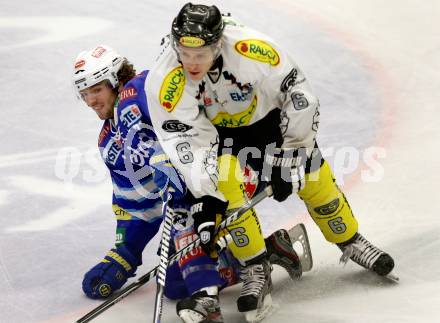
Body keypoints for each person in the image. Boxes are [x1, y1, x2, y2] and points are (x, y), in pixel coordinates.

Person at [144, 3, 395, 320]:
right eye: (185, 52)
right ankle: (254, 265)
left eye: (201, 54)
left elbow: (300, 96)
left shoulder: (252, 49)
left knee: (313, 178)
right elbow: (186, 141)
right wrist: (206, 196)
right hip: (220, 137)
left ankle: (350, 239)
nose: (191, 62)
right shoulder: (166, 78)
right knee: (227, 186)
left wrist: (291, 156)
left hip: (269, 121)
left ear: (218, 43)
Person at [72, 44, 301, 323]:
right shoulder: (109, 142)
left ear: (116, 79)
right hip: (187, 194)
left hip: (224, 175)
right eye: (84, 94)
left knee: (187, 217)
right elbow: (136, 202)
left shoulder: (144, 87)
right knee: (174, 282)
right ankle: (270, 249)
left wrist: (176, 163)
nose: (91, 101)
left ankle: (208, 299)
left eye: (96, 89)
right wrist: (124, 253)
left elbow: (196, 124)